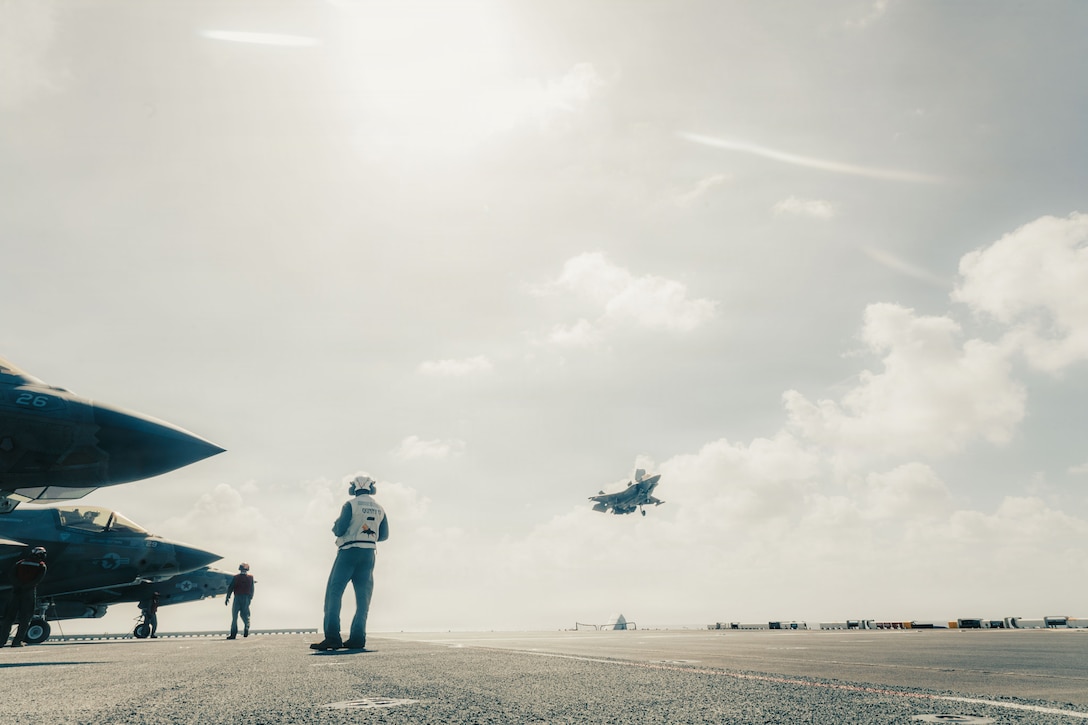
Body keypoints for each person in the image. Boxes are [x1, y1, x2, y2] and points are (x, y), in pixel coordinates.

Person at [311, 474, 389, 651]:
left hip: (348, 553)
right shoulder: (380, 508)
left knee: (334, 594)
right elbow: (384, 536)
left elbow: (339, 530)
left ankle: (332, 638)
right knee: (363, 599)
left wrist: (338, 526)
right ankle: (358, 638)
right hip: (369, 555)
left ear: (353, 488)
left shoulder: (350, 505)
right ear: (372, 488)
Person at [0, 546, 48, 647]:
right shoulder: (41, 566)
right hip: (28, 593)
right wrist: (25, 587)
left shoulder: (20, 563)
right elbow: (37, 580)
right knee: (25, 619)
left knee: (8, 618)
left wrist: (18, 585)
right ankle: (17, 641)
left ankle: (2, 641)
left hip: (15, 592)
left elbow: (11, 575)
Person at [224, 562, 254, 639]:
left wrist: (227, 597)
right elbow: (252, 589)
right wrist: (250, 598)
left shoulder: (236, 577)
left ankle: (233, 634)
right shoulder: (250, 578)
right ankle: (246, 626)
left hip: (237, 597)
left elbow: (231, 587)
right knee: (246, 615)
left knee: (235, 616)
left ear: (240, 569)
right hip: (246, 598)